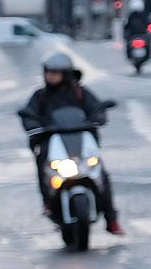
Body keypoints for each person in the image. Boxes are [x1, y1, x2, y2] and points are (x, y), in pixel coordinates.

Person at [17, 45, 122, 235]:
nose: (51, 76)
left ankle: (111, 219)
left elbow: (96, 108)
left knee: (101, 175)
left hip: (80, 142)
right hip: (54, 144)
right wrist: (33, 124)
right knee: (43, 168)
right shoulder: (41, 96)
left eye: (55, 73)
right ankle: (48, 202)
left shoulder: (80, 93)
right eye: (48, 72)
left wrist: (98, 117)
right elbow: (29, 114)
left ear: (65, 74)